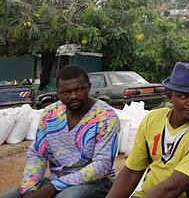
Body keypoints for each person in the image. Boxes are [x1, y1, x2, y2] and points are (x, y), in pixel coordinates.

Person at [106, 62, 189, 198]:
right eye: (183, 96)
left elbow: (174, 187)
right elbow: (132, 172)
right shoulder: (152, 119)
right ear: (169, 95)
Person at [0, 66, 119, 198]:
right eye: (66, 92)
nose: (73, 96)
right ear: (58, 92)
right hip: (57, 179)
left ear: (89, 87)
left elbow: (102, 165)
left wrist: (55, 186)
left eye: (79, 90)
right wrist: (29, 188)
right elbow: (37, 154)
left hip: (97, 182)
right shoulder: (50, 114)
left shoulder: (105, 116)